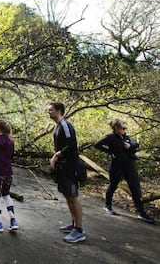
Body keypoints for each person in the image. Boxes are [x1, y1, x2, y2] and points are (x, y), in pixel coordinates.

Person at [94, 118, 154, 223]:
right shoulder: (110, 137)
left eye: (125, 127)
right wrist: (110, 152)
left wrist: (130, 145)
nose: (125, 129)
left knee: (135, 188)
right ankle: (107, 205)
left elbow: (134, 147)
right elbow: (97, 145)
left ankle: (141, 212)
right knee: (113, 185)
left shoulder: (126, 137)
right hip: (117, 165)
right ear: (116, 128)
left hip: (129, 165)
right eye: (123, 128)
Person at [48, 102, 86, 243]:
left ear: (59, 111)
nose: (49, 112)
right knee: (67, 196)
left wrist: (56, 155)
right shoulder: (56, 126)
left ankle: (79, 230)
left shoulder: (65, 125)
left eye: (50, 110)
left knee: (73, 196)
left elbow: (72, 145)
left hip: (71, 167)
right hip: (63, 168)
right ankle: (74, 223)